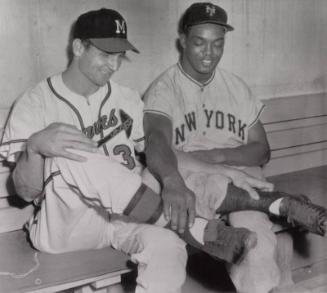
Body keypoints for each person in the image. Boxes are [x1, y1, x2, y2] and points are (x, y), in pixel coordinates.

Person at [0, 7, 280, 293]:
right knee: (71, 153)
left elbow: (161, 152)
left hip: (128, 218)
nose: (114, 65)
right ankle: (190, 227)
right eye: (106, 54)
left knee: (169, 247)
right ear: (78, 47)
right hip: (69, 226)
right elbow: (24, 193)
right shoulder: (35, 103)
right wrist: (35, 148)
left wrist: (225, 171)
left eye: (119, 55)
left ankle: (181, 228)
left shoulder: (126, 98)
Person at [143, 2, 327, 293]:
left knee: (255, 239)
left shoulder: (236, 88)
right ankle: (278, 203)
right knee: (195, 183)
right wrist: (192, 171)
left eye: (218, 44)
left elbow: (262, 150)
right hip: (193, 180)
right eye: (199, 43)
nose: (209, 53)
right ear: (182, 42)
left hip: (239, 174)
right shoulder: (163, 89)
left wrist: (218, 157)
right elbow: (155, 144)